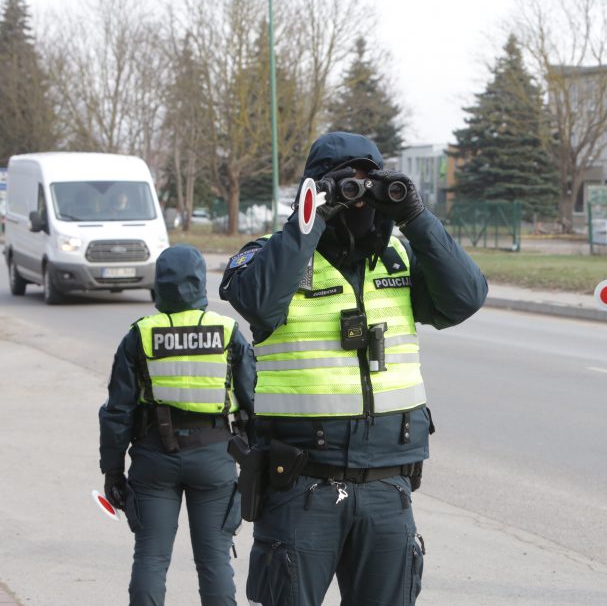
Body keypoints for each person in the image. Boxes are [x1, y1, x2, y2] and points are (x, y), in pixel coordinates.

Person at [219, 131, 488, 605]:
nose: (358, 198)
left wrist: (416, 216)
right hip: (300, 484)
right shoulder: (270, 254)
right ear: (313, 189)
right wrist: (313, 216)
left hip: (388, 485)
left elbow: (465, 298)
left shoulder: (399, 257)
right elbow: (259, 303)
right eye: (345, 185)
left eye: (369, 183)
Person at [99, 244, 256, 606]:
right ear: (200, 283)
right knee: (214, 560)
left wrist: (112, 472)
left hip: (154, 457)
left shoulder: (139, 335)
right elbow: (255, 402)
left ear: (160, 285)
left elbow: (117, 413)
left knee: (151, 558)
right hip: (215, 456)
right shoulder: (228, 331)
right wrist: (256, 463)